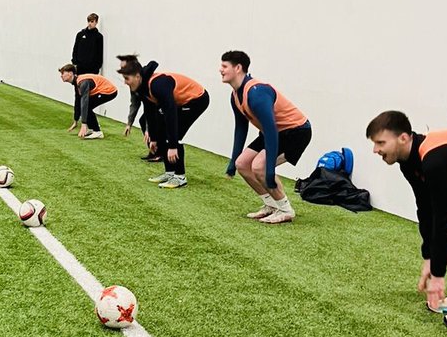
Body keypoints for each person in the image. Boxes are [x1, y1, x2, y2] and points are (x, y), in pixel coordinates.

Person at [366, 111, 447, 329]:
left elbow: (443, 218)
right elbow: (427, 210)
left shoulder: (436, 160)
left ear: (403, 138)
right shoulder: (409, 161)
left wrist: (438, 276)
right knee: (432, 220)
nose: (375, 150)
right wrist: (428, 257)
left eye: (380, 143)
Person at [221, 50, 311, 223]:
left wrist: (269, 170)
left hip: (296, 132)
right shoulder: (235, 96)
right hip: (275, 132)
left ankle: (285, 210)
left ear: (238, 68)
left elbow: (270, 131)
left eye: (224, 66)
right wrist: (233, 161)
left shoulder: (256, 93)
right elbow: (241, 129)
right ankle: (271, 204)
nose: (220, 70)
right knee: (242, 164)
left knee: (259, 167)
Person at [117, 56, 209, 188]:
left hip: (197, 99)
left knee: (174, 134)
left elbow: (170, 114)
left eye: (127, 79)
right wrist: (154, 138)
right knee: (161, 131)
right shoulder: (142, 88)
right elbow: (150, 113)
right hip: (180, 102)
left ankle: (180, 177)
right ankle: (170, 172)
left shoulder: (157, 85)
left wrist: (172, 146)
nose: (125, 83)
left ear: (137, 76)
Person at [59, 64, 118, 139]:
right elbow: (78, 101)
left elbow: (85, 102)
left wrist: (83, 124)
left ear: (70, 73)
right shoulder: (77, 83)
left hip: (109, 91)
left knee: (87, 107)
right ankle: (92, 128)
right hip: (103, 90)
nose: (61, 76)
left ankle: (97, 132)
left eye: (63, 73)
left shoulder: (83, 83)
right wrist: (76, 120)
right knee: (84, 106)